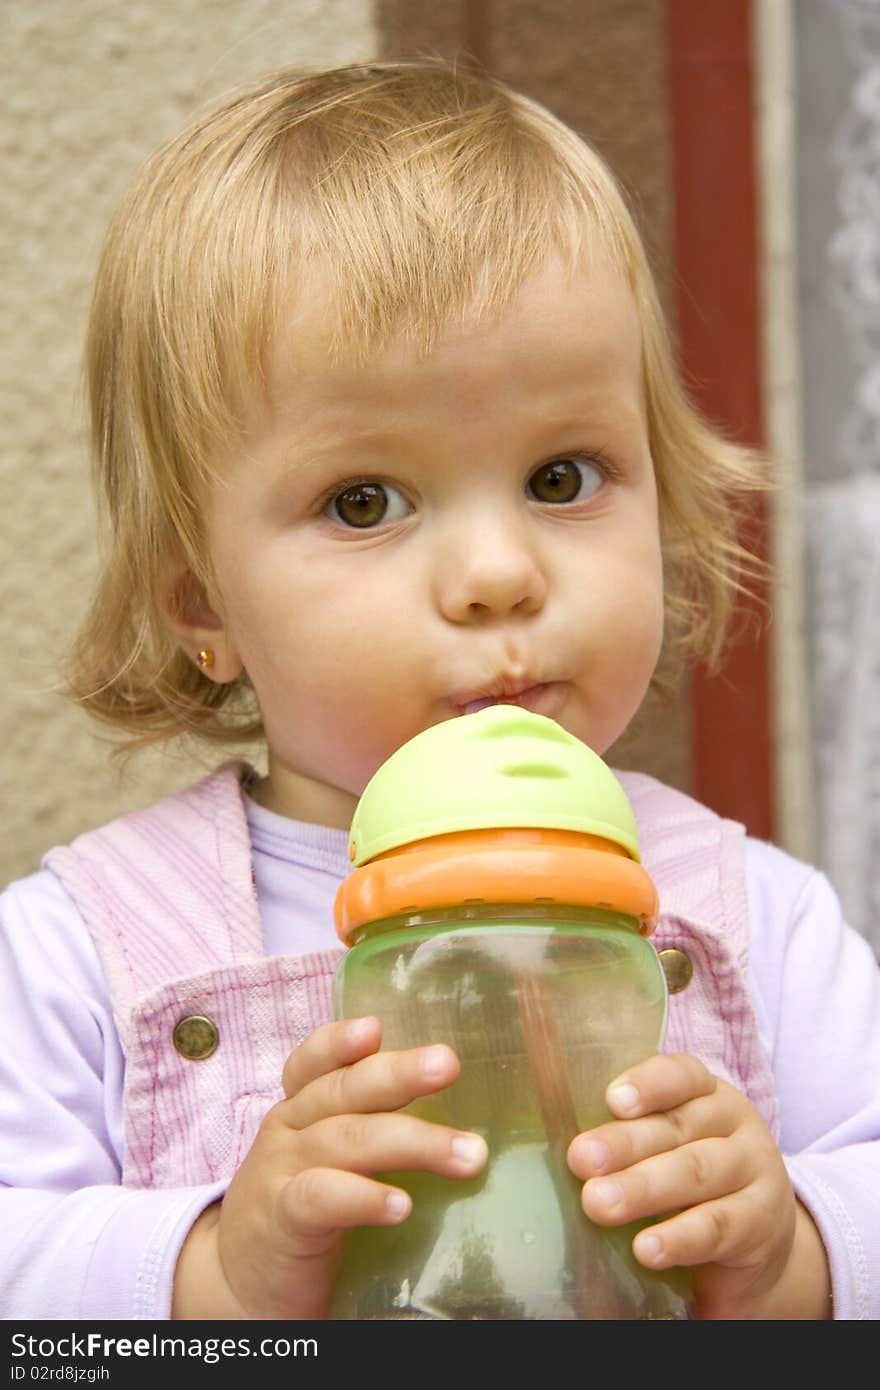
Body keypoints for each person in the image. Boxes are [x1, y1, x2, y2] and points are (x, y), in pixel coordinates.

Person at [1, 58, 878, 1324]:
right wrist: (217, 1274)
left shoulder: (753, 925)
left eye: (564, 476)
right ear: (202, 603)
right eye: (365, 501)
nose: (496, 575)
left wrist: (793, 1252)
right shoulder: (89, 954)